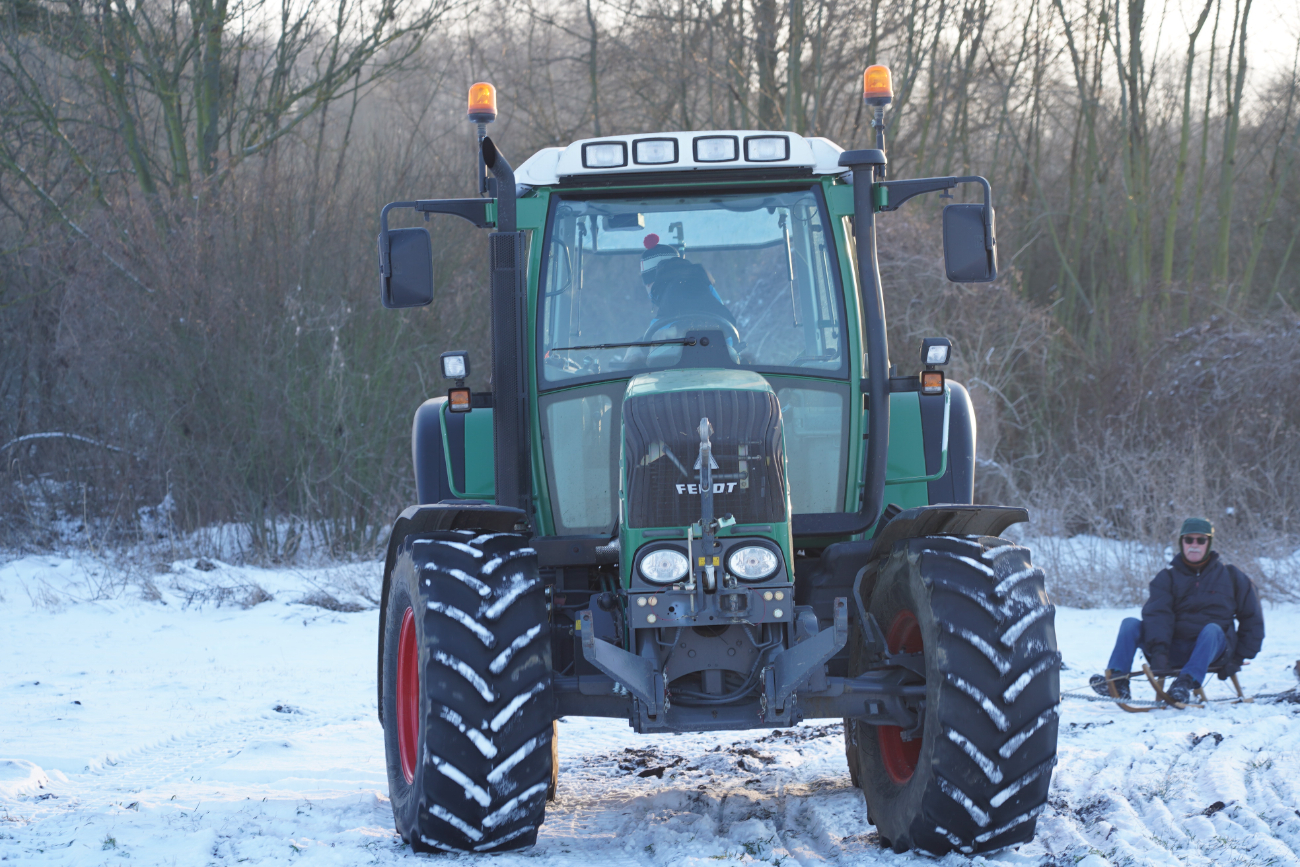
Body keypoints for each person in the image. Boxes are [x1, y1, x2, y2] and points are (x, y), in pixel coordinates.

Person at [1090, 517, 1264, 705]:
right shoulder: (1166, 578)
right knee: (1130, 624)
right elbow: (1158, 615)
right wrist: (1159, 653)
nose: (1194, 545)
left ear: (1209, 543)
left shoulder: (1232, 576)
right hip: (1170, 650)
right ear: (1182, 543)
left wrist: (1237, 659)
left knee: (1212, 629)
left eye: (1201, 540)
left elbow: (1252, 619)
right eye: (1189, 540)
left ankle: (1185, 683)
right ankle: (1118, 683)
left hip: (1213, 648)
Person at [639, 234, 737, 337]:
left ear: (651, 282)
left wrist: (676, 331)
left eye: (646, 283)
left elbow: (706, 323)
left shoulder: (680, 287)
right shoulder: (699, 282)